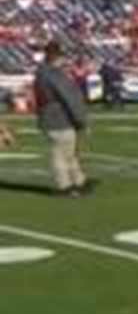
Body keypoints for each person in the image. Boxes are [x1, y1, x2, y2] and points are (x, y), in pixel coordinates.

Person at [33, 41, 92, 198]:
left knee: (68, 152)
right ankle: (64, 186)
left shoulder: (41, 72)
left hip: (49, 116)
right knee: (61, 153)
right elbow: (69, 98)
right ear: (57, 57)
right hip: (60, 118)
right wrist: (81, 119)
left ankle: (79, 181)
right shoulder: (54, 74)